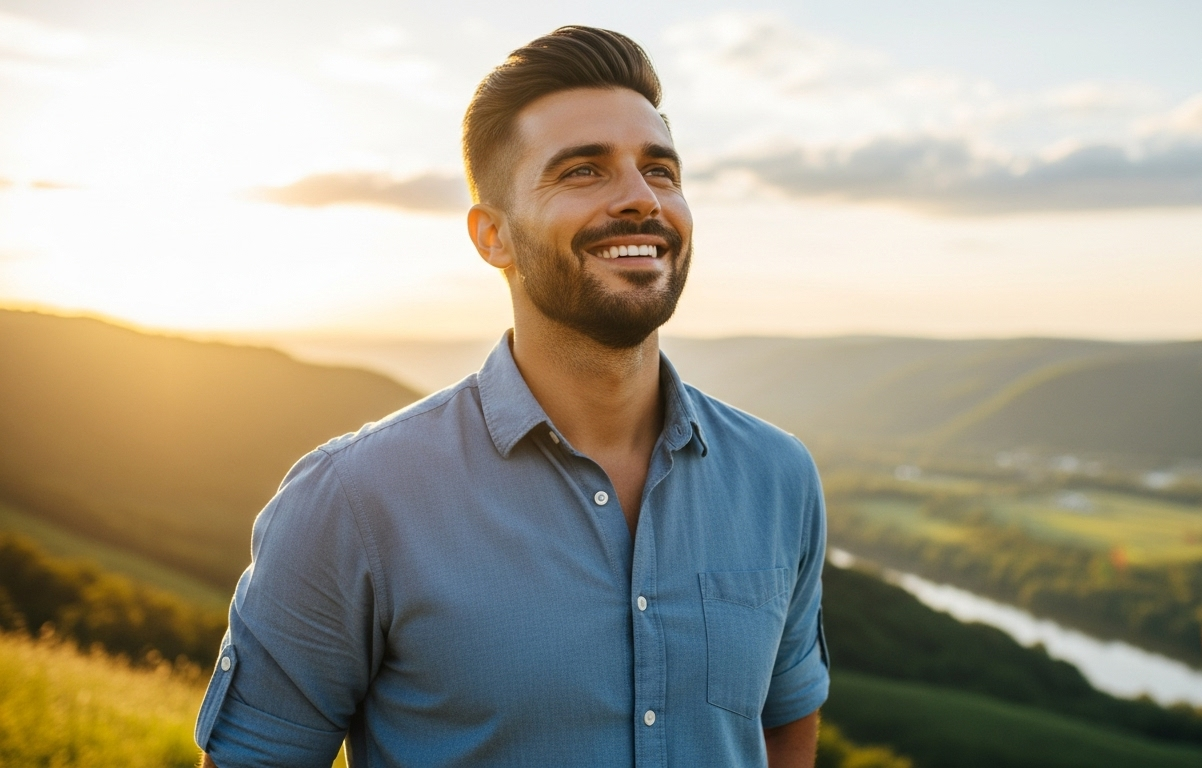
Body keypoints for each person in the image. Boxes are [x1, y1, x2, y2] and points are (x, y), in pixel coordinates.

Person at [196, 25, 828, 768]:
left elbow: (784, 728)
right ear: (492, 236)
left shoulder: (778, 477)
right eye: (583, 171)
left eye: (660, 170)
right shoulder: (353, 501)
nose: (638, 199)